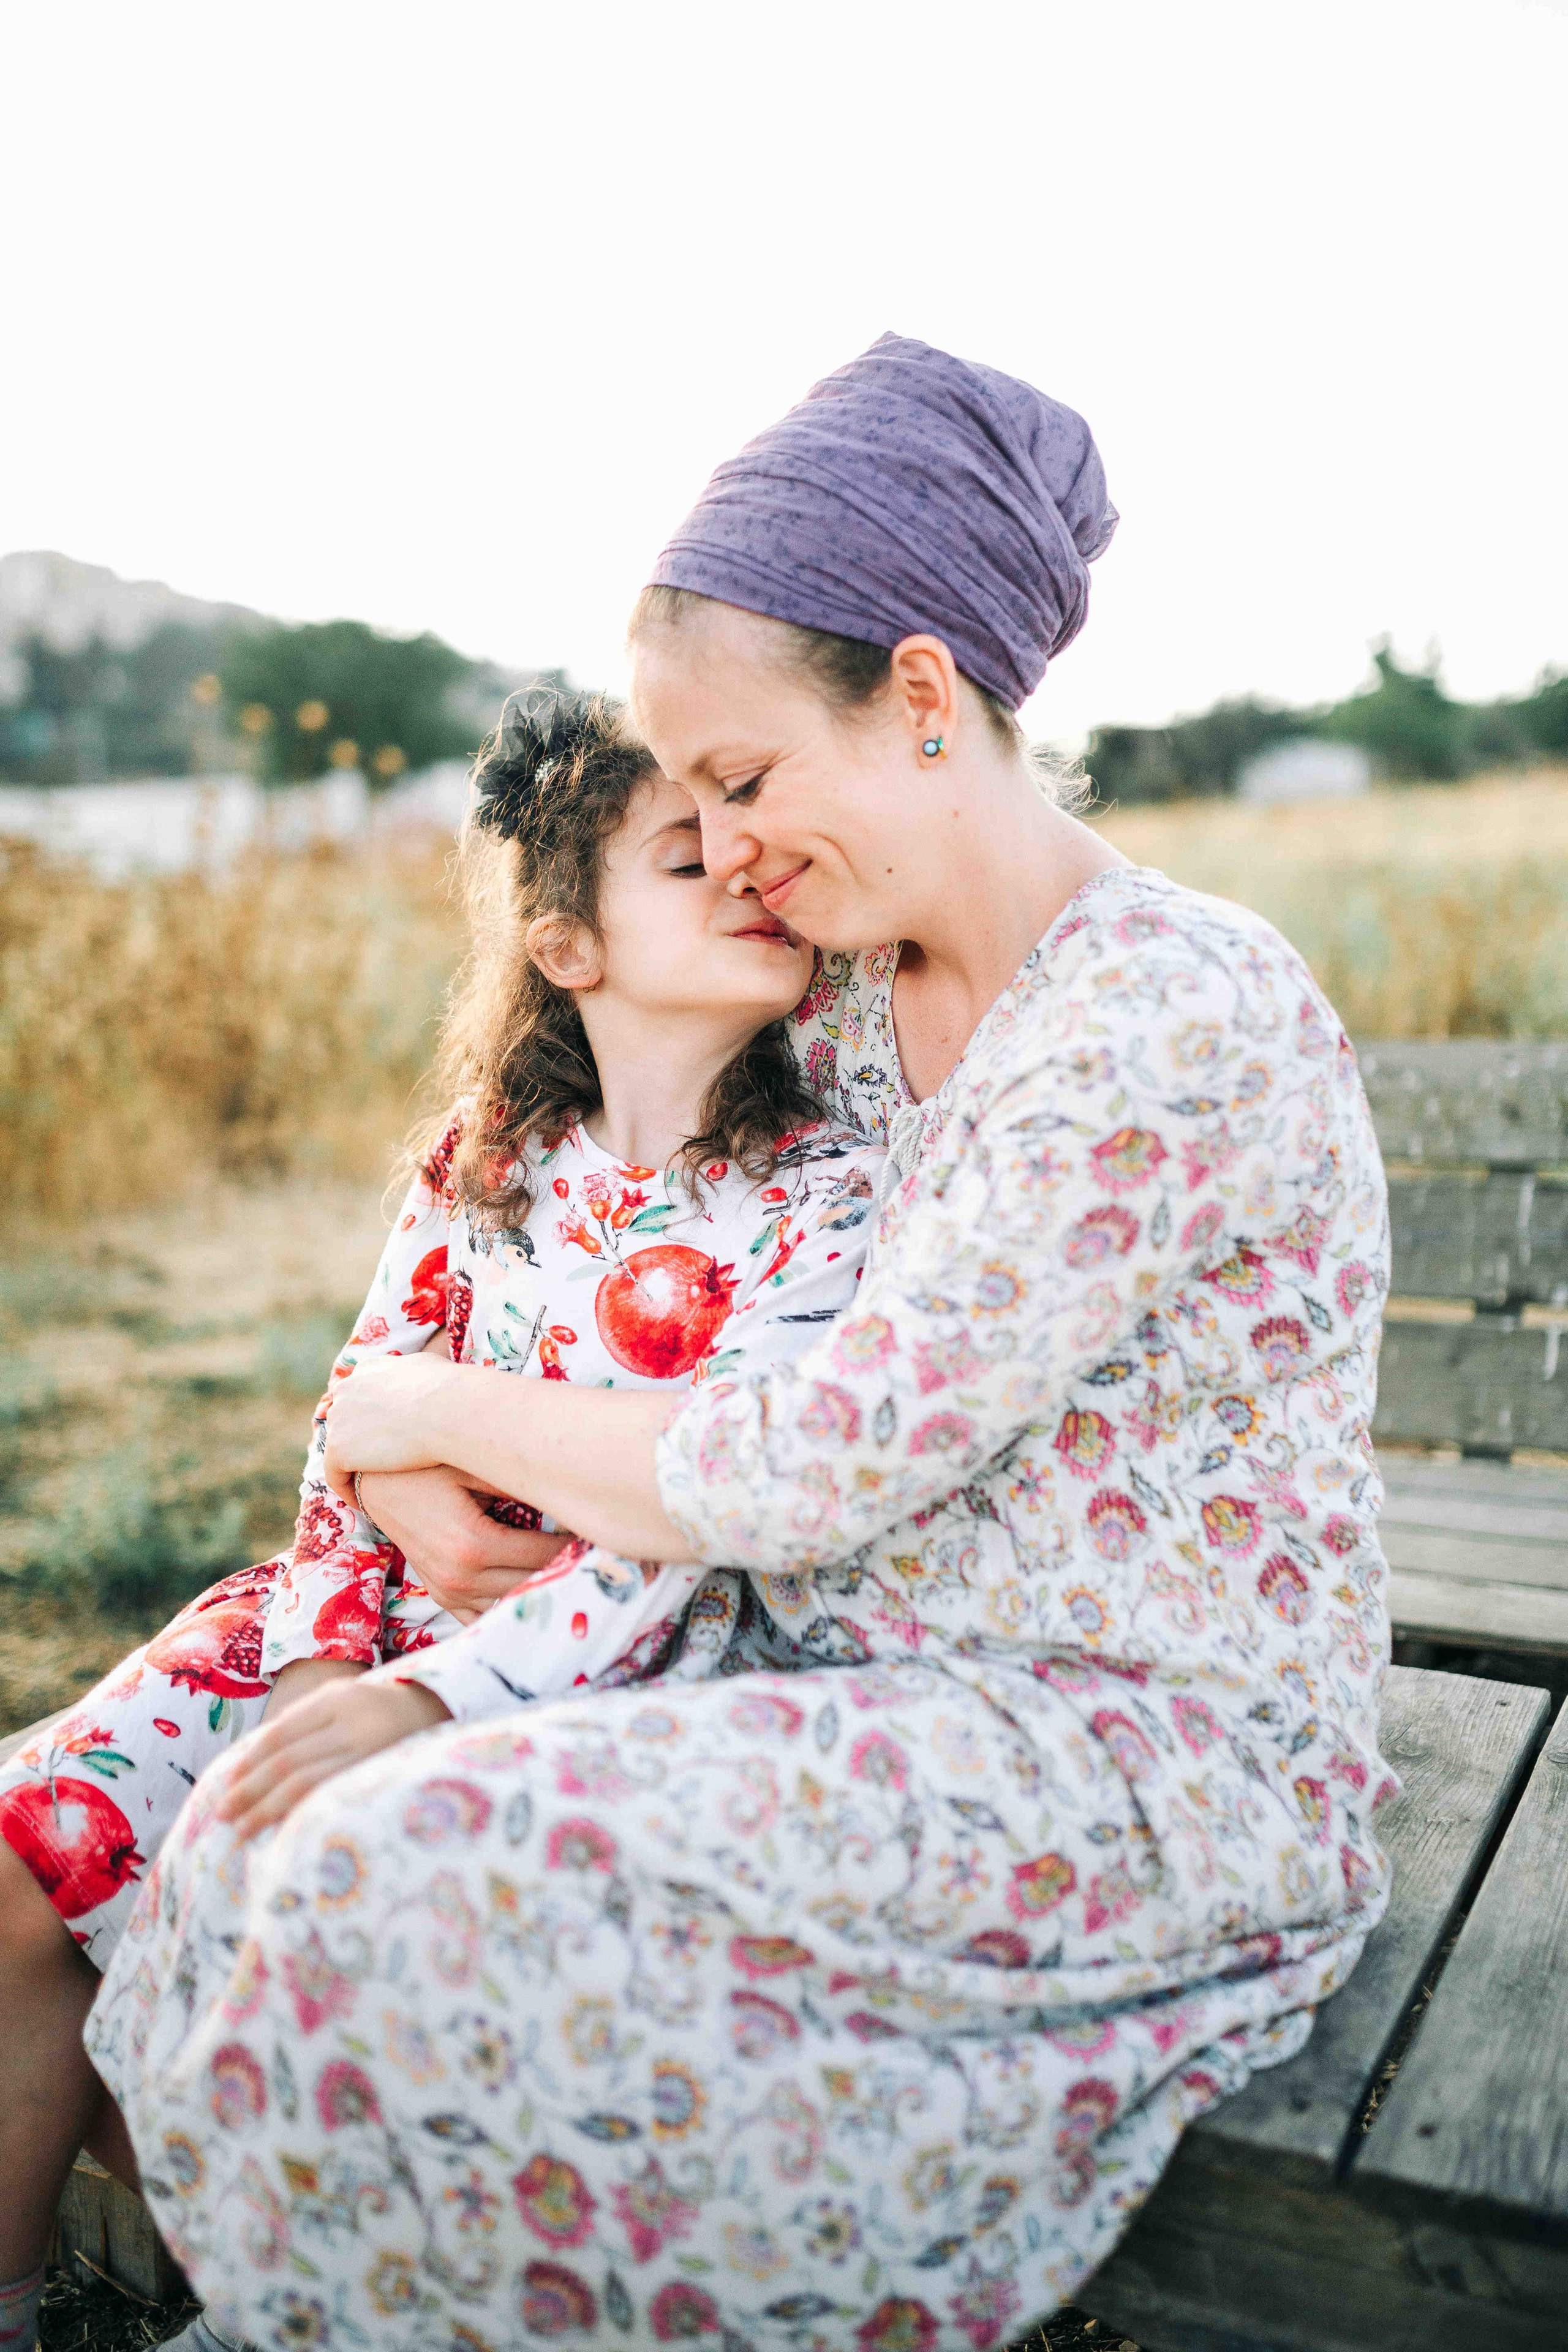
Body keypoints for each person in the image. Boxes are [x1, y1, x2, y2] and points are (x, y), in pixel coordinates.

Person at [88, 334, 1395, 2352]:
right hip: (805, 1669)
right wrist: (392, 1437)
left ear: (928, 696)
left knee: (380, 1871)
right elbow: (591, 1238)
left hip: (1131, 1748)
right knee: (266, 1847)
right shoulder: (857, 1008)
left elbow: (804, 1457)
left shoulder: (1163, 1012)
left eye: (745, 778)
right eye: (689, 796)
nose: (728, 845)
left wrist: (411, 1406)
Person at [0, 693, 884, 2352]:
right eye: (690, 858)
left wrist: (410, 1700)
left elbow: (693, 1521)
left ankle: (287, 2289)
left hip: (587, 1678)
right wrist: (318, 1657)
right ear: (569, 945)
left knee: (295, 1901)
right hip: (353, 1628)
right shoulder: (482, 1164)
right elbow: (357, 1422)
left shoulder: (819, 1199)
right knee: (24, 1837)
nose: (749, 876)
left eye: (750, 846)